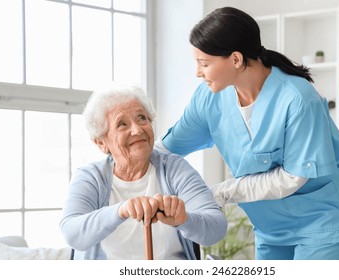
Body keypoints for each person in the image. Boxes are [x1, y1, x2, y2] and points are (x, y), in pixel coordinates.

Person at [156, 7, 339, 260]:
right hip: (270, 226)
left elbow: (292, 178)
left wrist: (218, 193)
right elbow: (166, 149)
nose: (197, 72)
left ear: (235, 59)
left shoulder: (297, 98)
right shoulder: (208, 98)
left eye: (204, 63)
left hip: (324, 220)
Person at [60, 82, 227, 260]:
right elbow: (72, 233)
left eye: (142, 118)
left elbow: (216, 229)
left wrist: (184, 219)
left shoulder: (175, 169)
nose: (137, 129)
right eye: (122, 124)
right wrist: (121, 210)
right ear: (101, 142)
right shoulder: (91, 177)